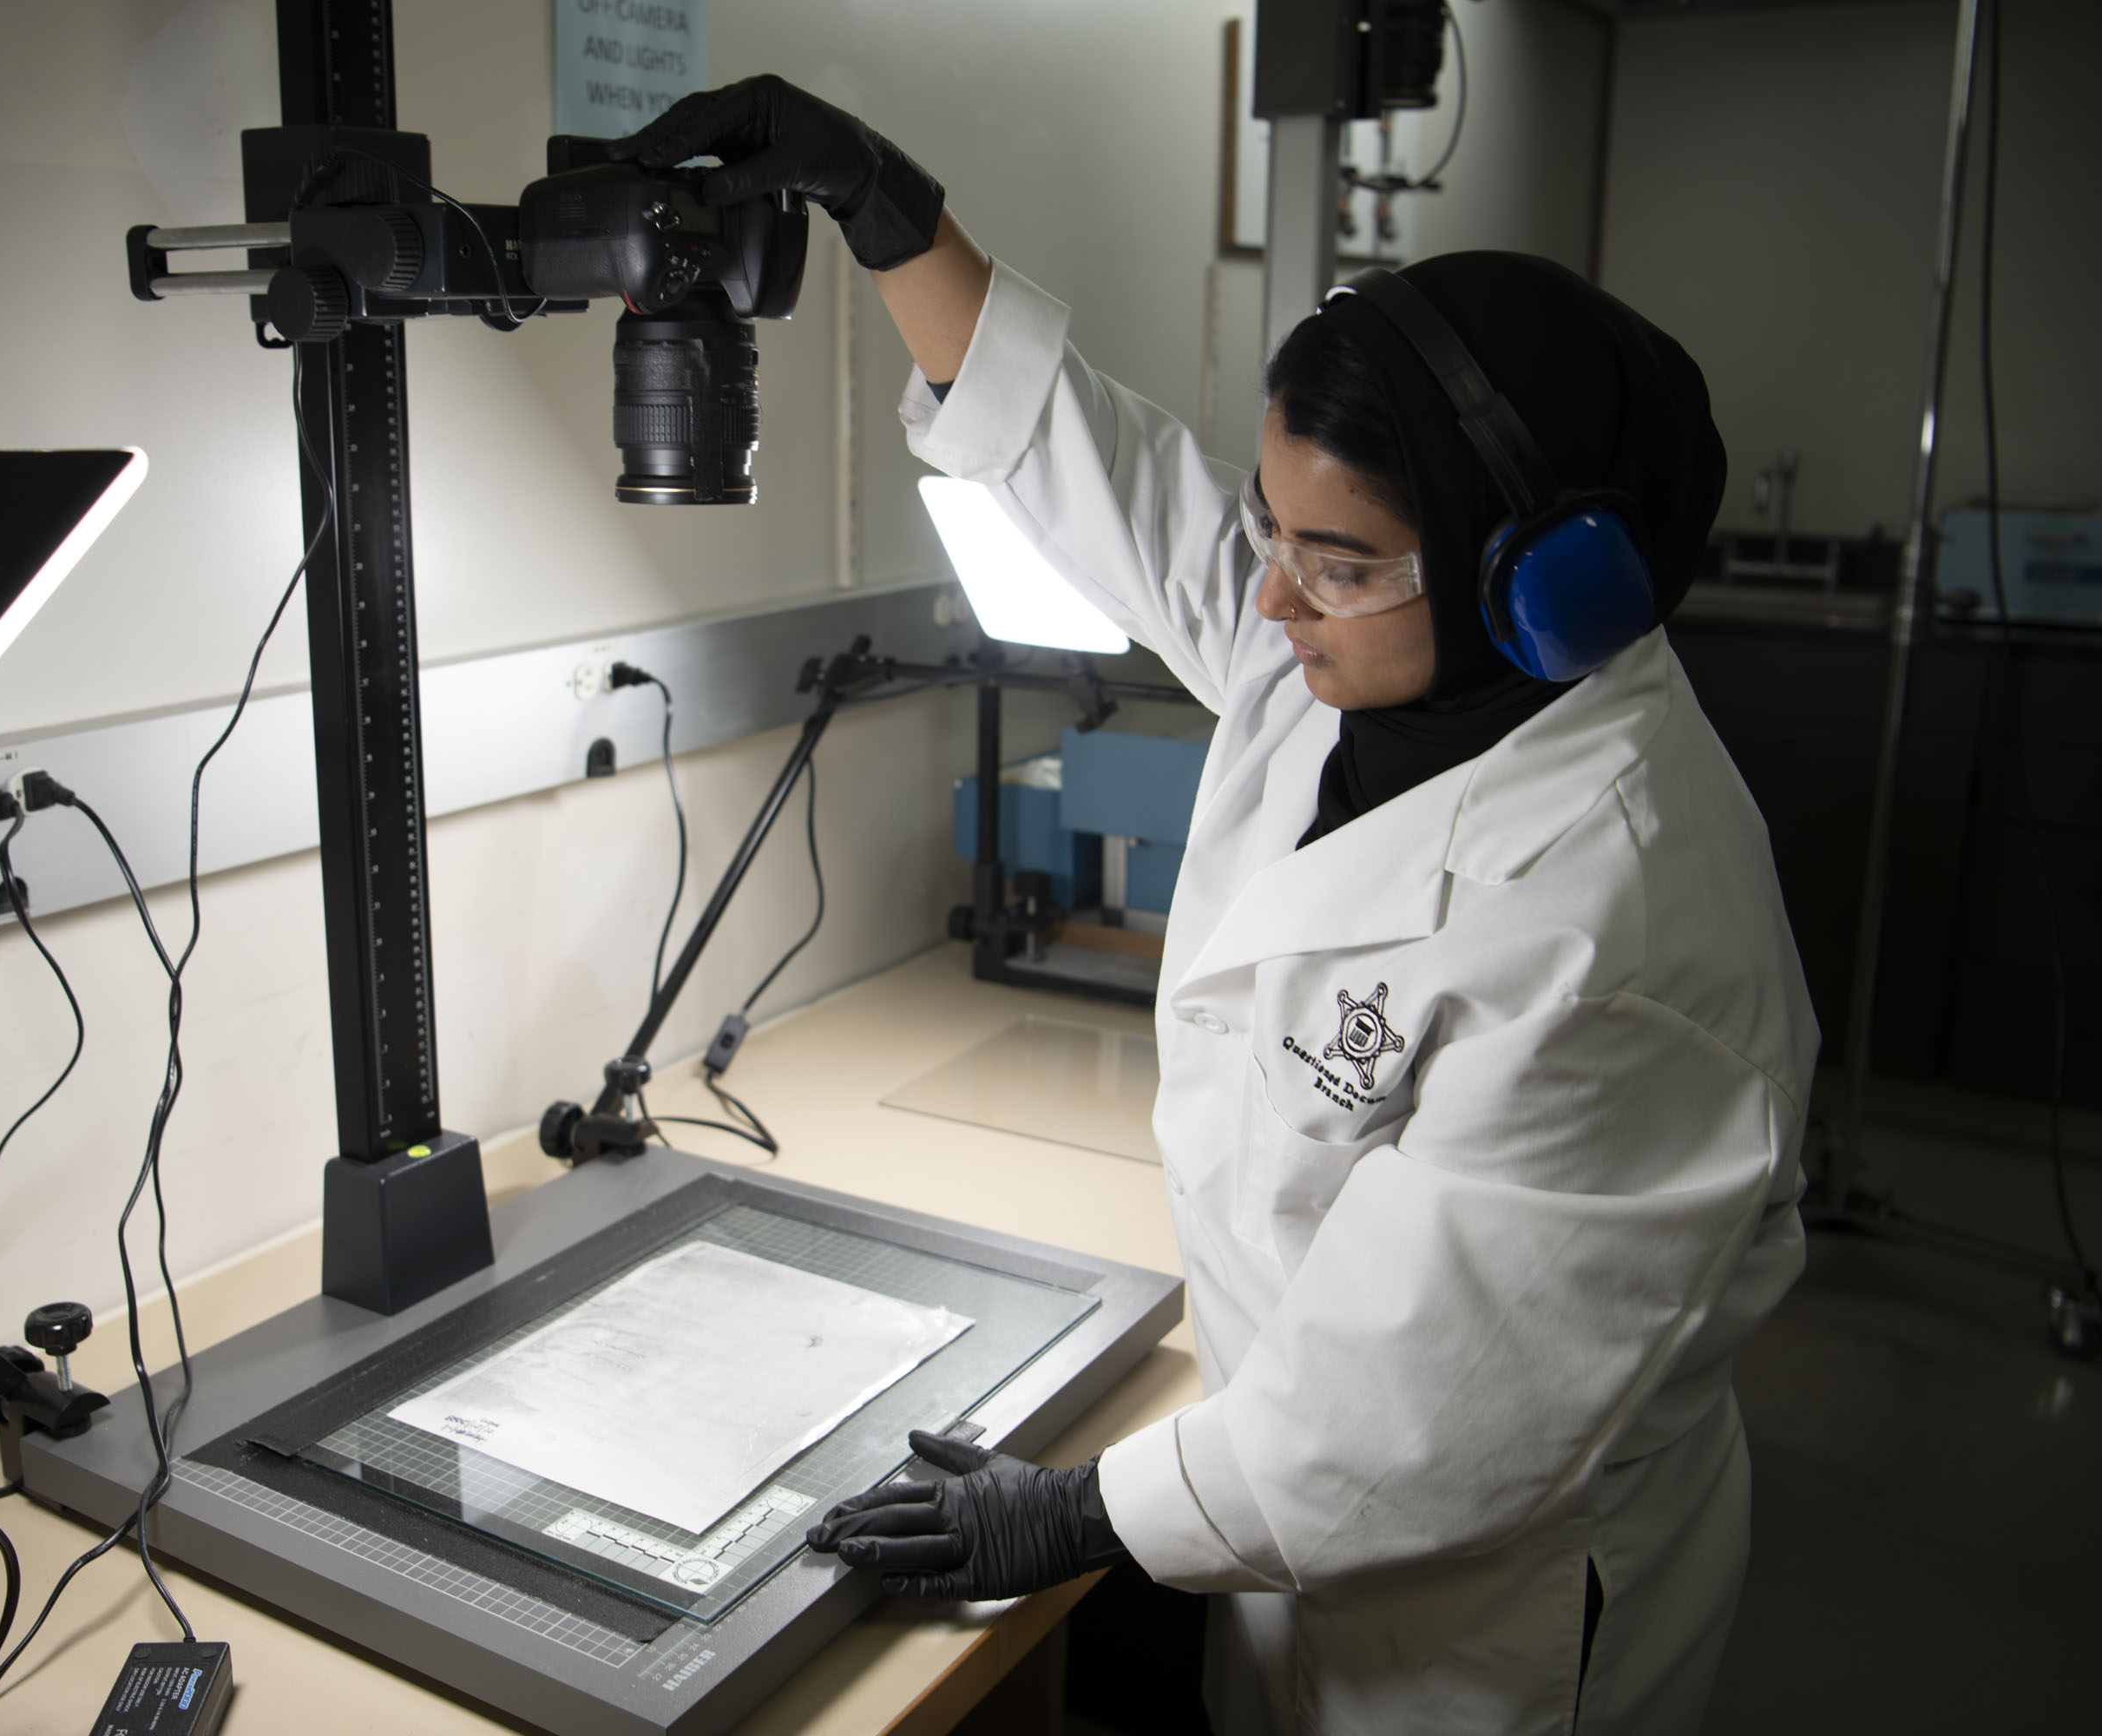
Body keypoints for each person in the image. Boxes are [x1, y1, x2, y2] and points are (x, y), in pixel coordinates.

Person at [607, 78, 1817, 1736]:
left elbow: (1421, 1419)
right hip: (1280, 1496)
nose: (1267, 594)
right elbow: (1089, 462)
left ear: (1541, 585)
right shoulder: (1354, 660)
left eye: (1338, 558)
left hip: (1489, 1619)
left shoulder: (1619, 933)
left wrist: (1071, 1512)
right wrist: (888, 206)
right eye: (1275, 528)